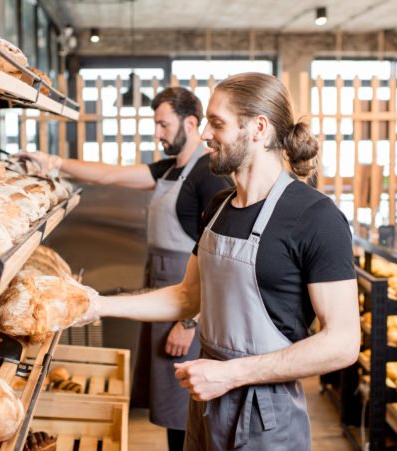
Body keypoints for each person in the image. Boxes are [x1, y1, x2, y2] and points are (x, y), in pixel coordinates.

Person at [74, 73, 361, 450]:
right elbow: (187, 297)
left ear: (258, 127)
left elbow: (343, 342)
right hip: (208, 399)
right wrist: (96, 304)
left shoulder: (316, 217)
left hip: (265, 414)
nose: (205, 134)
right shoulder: (219, 206)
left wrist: (232, 374)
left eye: (217, 123)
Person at [17, 87, 232, 450]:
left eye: (164, 125)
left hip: (188, 304)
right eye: (156, 124)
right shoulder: (170, 170)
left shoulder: (207, 176)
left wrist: (189, 322)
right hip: (162, 295)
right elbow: (111, 175)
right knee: (170, 403)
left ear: (191, 123)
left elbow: (219, 261)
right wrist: (53, 162)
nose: (158, 133)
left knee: (188, 404)